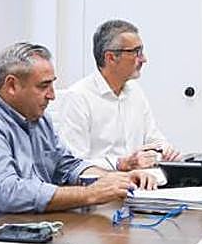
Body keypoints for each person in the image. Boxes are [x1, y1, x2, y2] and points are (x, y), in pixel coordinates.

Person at [0, 42, 155, 219]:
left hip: (33, 223)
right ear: (12, 85)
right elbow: (9, 193)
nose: (52, 95)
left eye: (52, 85)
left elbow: (65, 164)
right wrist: (91, 194)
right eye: (43, 86)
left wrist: (115, 180)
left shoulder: (35, 116)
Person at [53, 19, 179, 171]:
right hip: (102, 187)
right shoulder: (78, 97)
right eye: (136, 52)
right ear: (111, 57)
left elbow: (153, 138)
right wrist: (120, 163)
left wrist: (165, 150)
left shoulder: (135, 91)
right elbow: (73, 163)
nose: (144, 59)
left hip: (141, 182)